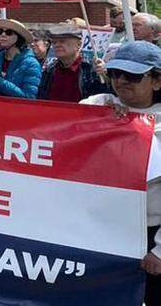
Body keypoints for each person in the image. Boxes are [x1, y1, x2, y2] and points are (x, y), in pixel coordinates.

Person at [79, 41, 161, 303]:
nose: (121, 81)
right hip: (103, 228)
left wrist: (160, 250)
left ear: (157, 81)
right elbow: (67, 122)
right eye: (115, 73)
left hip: (148, 232)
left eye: (133, 76)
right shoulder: (102, 104)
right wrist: (100, 115)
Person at [37, 25, 112, 102]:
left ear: (78, 45)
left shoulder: (92, 70)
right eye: (54, 42)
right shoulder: (49, 71)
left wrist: (106, 77)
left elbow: (107, 98)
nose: (57, 45)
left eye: (62, 41)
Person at [0, 18, 41, 98]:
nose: (3, 35)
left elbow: (29, 97)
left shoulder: (31, 64)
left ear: (19, 37)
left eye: (9, 32)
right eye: (0, 31)